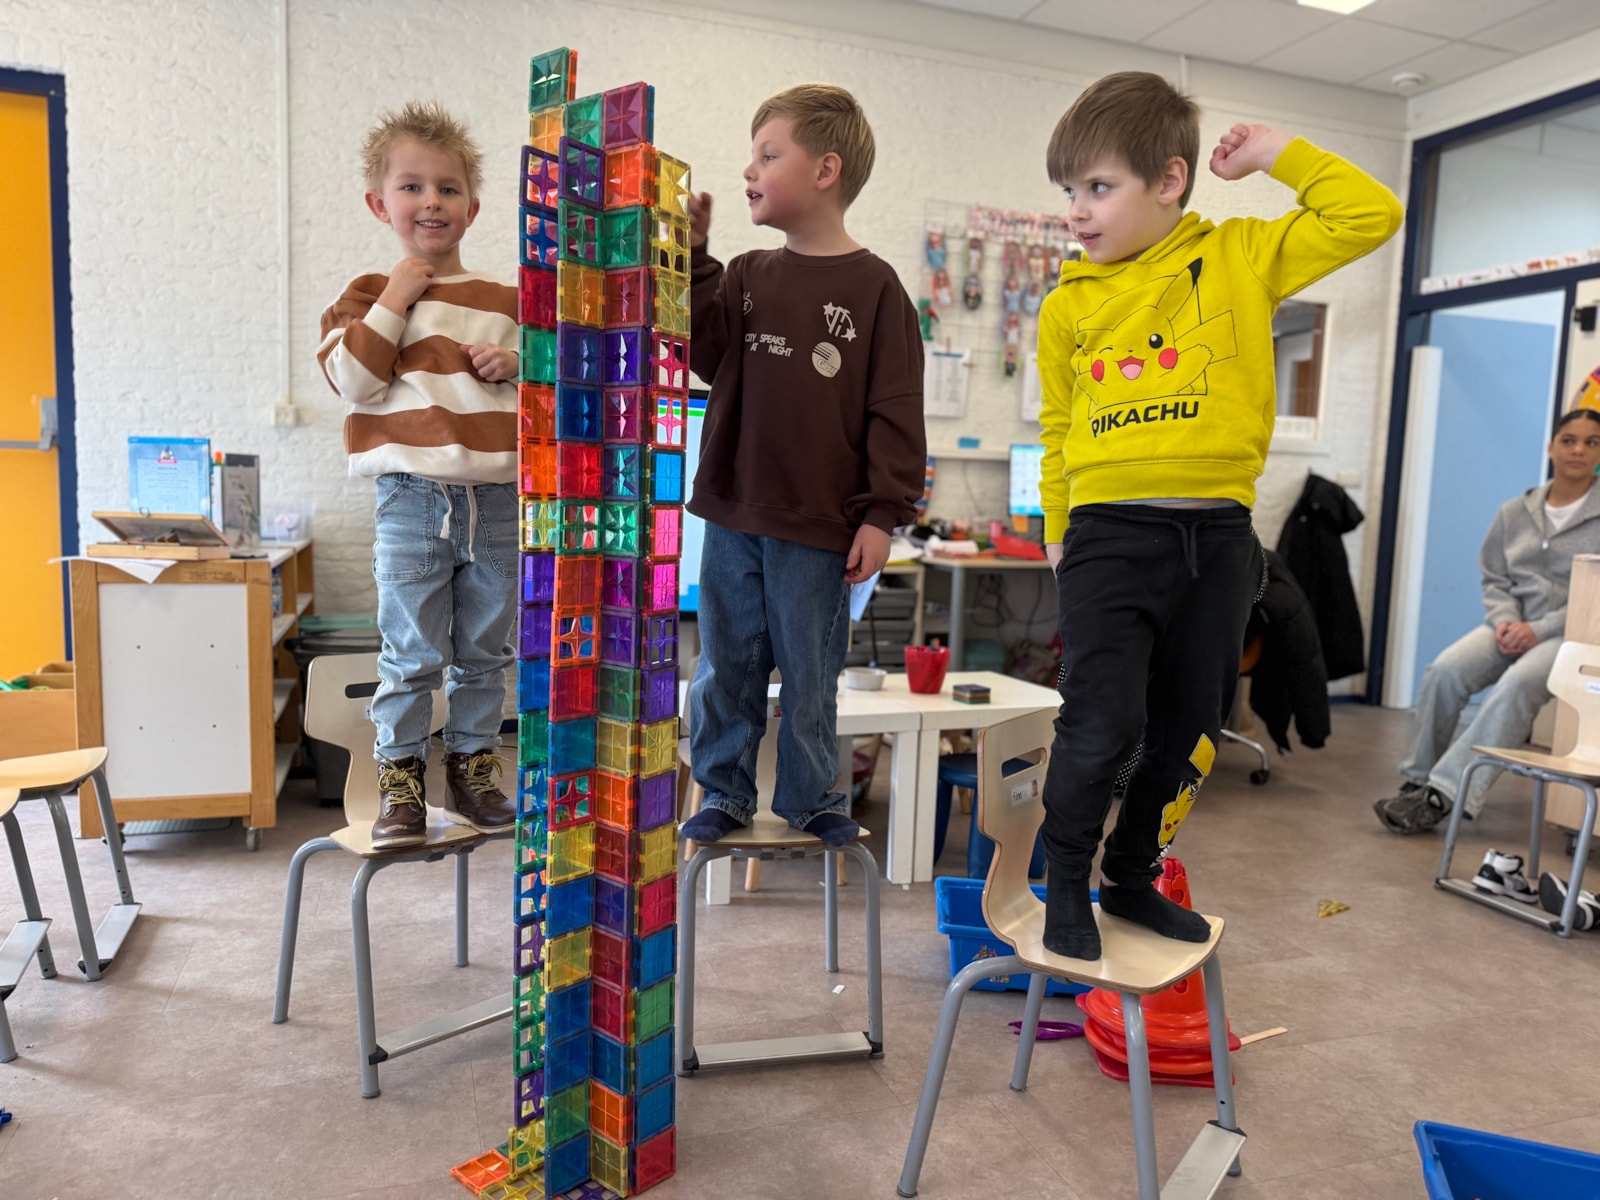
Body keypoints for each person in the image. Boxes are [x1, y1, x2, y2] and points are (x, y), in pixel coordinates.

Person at [1035, 72, 1403, 959]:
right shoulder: (1067, 303)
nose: (1078, 211)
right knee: (1101, 724)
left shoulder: (1241, 255)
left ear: (1169, 181)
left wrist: (1277, 154)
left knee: (1191, 730)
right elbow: (1056, 426)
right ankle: (1065, 884)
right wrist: (1056, 528)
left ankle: (1131, 878)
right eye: (1069, 191)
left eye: (1099, 187)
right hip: (1109, 536)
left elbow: (1372, 214)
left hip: (1220, 540)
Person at [679, 84, 926, 847]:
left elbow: (895, 412)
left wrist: (881, 516)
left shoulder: (878, 289)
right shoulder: (747, 273)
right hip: (733, 512)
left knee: (812, 674)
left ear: (825, 170)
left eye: (767, 154)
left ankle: (812, 795)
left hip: (821, 526)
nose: (748, 170)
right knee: (726, 664)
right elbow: (705, 356)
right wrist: (693, 259)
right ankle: (723, 789)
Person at [317, 101, 519, 849]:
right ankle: (400, 781)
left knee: (487, 654)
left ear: (472, 207)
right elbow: (356, 382)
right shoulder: (366, 297)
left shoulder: (506, 301)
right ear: (380, 204)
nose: (431, 201)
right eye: (411, 187)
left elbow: (557, 393)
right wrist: (399, 295)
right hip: (411, 498)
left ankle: (473, 771)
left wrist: (518, 363)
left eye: (448, 188)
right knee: (411, 654)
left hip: (498, 498)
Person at [1374, 409, 1600, 874]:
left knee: (1517, 685)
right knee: (1445, 670)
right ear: (1551, 448)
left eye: (1592, 442)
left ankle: (1444, 795)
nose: (1579, 450)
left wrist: (1538, 629)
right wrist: (1505, 620)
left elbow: (1595, 593)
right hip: (1510, 624)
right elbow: (1494, 577)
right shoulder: (1514, 512)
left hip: (1571, 634)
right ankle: (1417, 780)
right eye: (1569, 440)